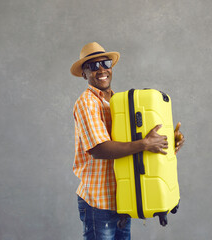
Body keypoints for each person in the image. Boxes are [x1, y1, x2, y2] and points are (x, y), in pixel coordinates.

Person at [70, 42, 185, 240]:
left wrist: (166, 143)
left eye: (105, 63)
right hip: (99, 201)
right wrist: (145, 144)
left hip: (123, 198)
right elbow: (99, 149)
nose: (102, 70)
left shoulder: (119, 103)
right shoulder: (87, 102)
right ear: (84, 74)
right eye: (93, 66)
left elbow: (133, 146)